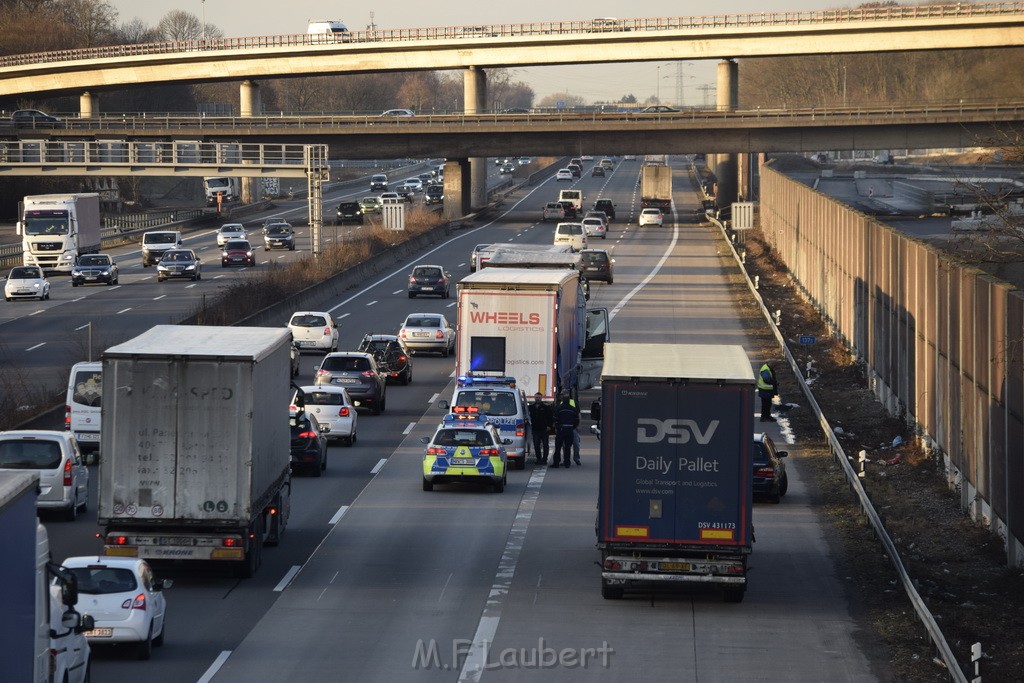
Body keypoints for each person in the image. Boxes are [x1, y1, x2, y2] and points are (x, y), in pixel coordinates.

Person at [552, 395, 580, 468]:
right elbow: (577, 420)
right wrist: (572, 427)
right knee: (568, 447)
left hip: (561, 429)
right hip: (569, 430)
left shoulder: (559, 408)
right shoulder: (573, 409)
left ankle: (556, 463)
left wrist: (558, 427)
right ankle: (567, 463)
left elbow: (555, 418)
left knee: (558, 447)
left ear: (563, 400)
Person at [528, 393, 552, 465]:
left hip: (544, 429)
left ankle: (544, 459)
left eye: (538, 397)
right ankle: (538, 459)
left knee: (545, 445)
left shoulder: (545, 407)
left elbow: (550, 417)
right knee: (536, 445)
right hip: (535, 429)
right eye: (536, 397)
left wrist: (549, 426)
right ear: (534, 398)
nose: (537, 398)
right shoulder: (531, 407)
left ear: (541, 398)